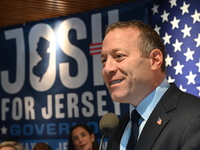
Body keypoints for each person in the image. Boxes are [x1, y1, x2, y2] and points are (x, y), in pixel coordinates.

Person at [101, 20, 200, 150]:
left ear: (155, 60)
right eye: (103, 60)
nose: (107, 68)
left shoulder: (194, 117)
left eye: (119, 56)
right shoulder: (117, 129)